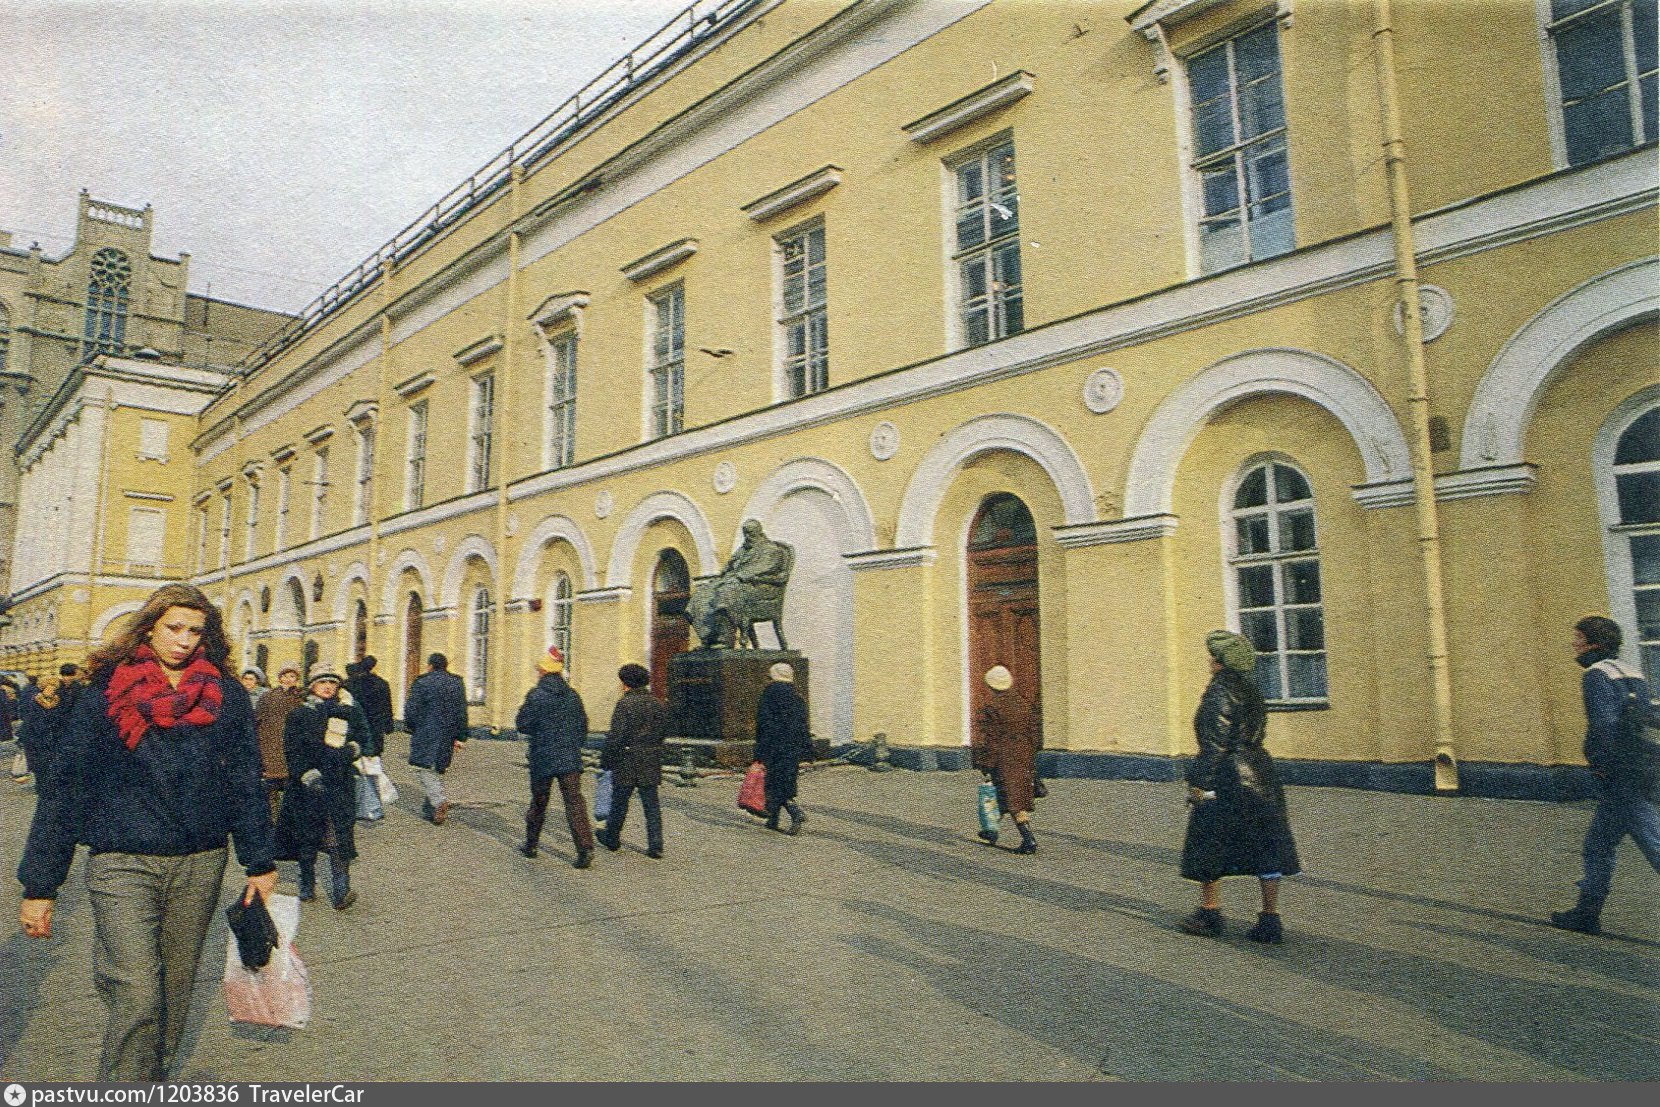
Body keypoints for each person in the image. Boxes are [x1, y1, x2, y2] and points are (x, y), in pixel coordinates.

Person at [15, 583, 276, 1081]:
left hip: (199, 861)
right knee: (136, 992)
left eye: (194, 632)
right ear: (149, 627)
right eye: (173, 628)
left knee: (174, 996)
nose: (183, 641)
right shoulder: (106, 695)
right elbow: (67, 788)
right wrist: (40, 885)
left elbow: (244, 777)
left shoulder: (226, 696)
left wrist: (260, 862)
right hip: (122, 861)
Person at [1178, 630, 1301, 944]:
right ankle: (1270, 919)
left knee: (1207, 840)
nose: (1209, 661)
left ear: (1219, 663)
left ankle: (1210, 912)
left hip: (1227, 777)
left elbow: (1214, 745)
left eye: (1212, 657)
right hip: (1260, 773)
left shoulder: (1218, 692)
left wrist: (1199, 785)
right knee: (1267, 847)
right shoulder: (1252, 689)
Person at [1549, 615, 1660, 935]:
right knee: (1598, 846)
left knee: (1654, 846)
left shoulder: (1596, 676)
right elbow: (1647, 716)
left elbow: (1604, 726)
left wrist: (1599, 763)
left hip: (1620, 775)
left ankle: (1587, 913)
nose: (1575, 644)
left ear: (1594, 643)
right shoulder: (1632, 671)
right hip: (1639, 767)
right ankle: (1587, 913)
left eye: (1579, 638)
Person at [274, 661, 368, 910]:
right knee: (308, 839)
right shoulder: (300, 714)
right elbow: (292, 749)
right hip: (309, 787)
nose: (327, 687)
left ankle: (341, 890)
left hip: (340, 785)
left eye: (332, 683)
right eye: (322, 682)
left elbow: (365, 739)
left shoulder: (347, 711)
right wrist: (307, 774)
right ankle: (306, 885)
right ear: (312, 686)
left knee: (339, 838)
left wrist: (353, 749)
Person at [514, 646, 594, 867]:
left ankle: (531, 845)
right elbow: (582, 726)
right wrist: (573, 746)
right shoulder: (573, 695)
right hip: (569, 757)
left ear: (544, 671)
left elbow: (522, 724)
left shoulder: (536, 695)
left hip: (542, 756)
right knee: (575, 801)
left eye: (539, 669)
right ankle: (585, 848)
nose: (537, 672)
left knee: (539, 802)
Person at [597, 663, 671, 858]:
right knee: (651, 804)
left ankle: (612, 838)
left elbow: (616, 736)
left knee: (620, 801)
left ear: (626, 683)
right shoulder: (657, 703)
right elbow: (663, 731)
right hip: (650, 758)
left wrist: (606, 759)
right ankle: (656, 845)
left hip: (627, 759)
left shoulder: (624, 704)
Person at [685, 519, 793, 648]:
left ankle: (724, 641)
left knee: (725, 595)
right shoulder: (744, 549)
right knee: (701, 595)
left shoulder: (771, 550)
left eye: (751, 533)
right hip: (737, 584)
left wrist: (738, 576)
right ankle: (710, 640)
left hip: (759, 589)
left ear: (759, 532)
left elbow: (759, 569)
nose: (747, 537)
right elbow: (729, 567)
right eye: (745, 533)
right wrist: (726, 572)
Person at [972, 665, 1040, 853]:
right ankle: (990, 830)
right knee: (1006, 796)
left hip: (1004, 758)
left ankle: (1029, 839)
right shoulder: (1023, 703)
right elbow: (1034, 733)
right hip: (1024, 756)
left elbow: (990, 739)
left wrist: (986, 763)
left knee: (1012, 799)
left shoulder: (992, 707)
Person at [405, 652, 469, 824]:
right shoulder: (457, 683)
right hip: (447, 733)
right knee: (437, 768)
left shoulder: (422, 682)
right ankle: (431, 809)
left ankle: (439, 801)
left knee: (422, 768)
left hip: (426, 732)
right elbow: (462, 712)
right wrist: (461, 735)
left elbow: (411, 709)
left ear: (430, 665)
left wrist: (411, 727)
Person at [753, 661, 811, 835]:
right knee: (784, 780)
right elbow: (803, 726)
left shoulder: (770, 694)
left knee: (773, 782)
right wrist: (806, 750)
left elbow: (764, 723)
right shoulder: (797, 697)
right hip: (792, 747)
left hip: (773, 746)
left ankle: (795, 812)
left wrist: (760, 750)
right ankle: (773, 819)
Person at [17, 664, 85, 796]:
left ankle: (51, 787)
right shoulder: (35, 701)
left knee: (51, 764)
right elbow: (31, 722)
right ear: (43, 688)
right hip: (37, 739)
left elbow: (61, 718)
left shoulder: (58, 700)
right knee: (40, 766)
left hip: (53, 738)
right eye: (49, 687)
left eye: (54, 687)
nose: (51, 689)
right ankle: (42, 788)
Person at [253, 666, 307, 821]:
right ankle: (273, 819)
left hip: (292, 746)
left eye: (293, 676)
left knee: (293, 785)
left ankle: (290, 820)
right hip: (270, 744)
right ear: (280, 678)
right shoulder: (268, 696)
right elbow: (257, 719)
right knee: (271, 787)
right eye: (286, 675)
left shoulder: (301, 697)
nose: (289, 679)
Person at [344, 655, 395, 759]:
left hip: (356, 725)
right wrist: (389, 724)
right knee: (374, 756)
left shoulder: (351, 683)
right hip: (376, 725)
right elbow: (387, 705)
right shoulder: (382, 683)